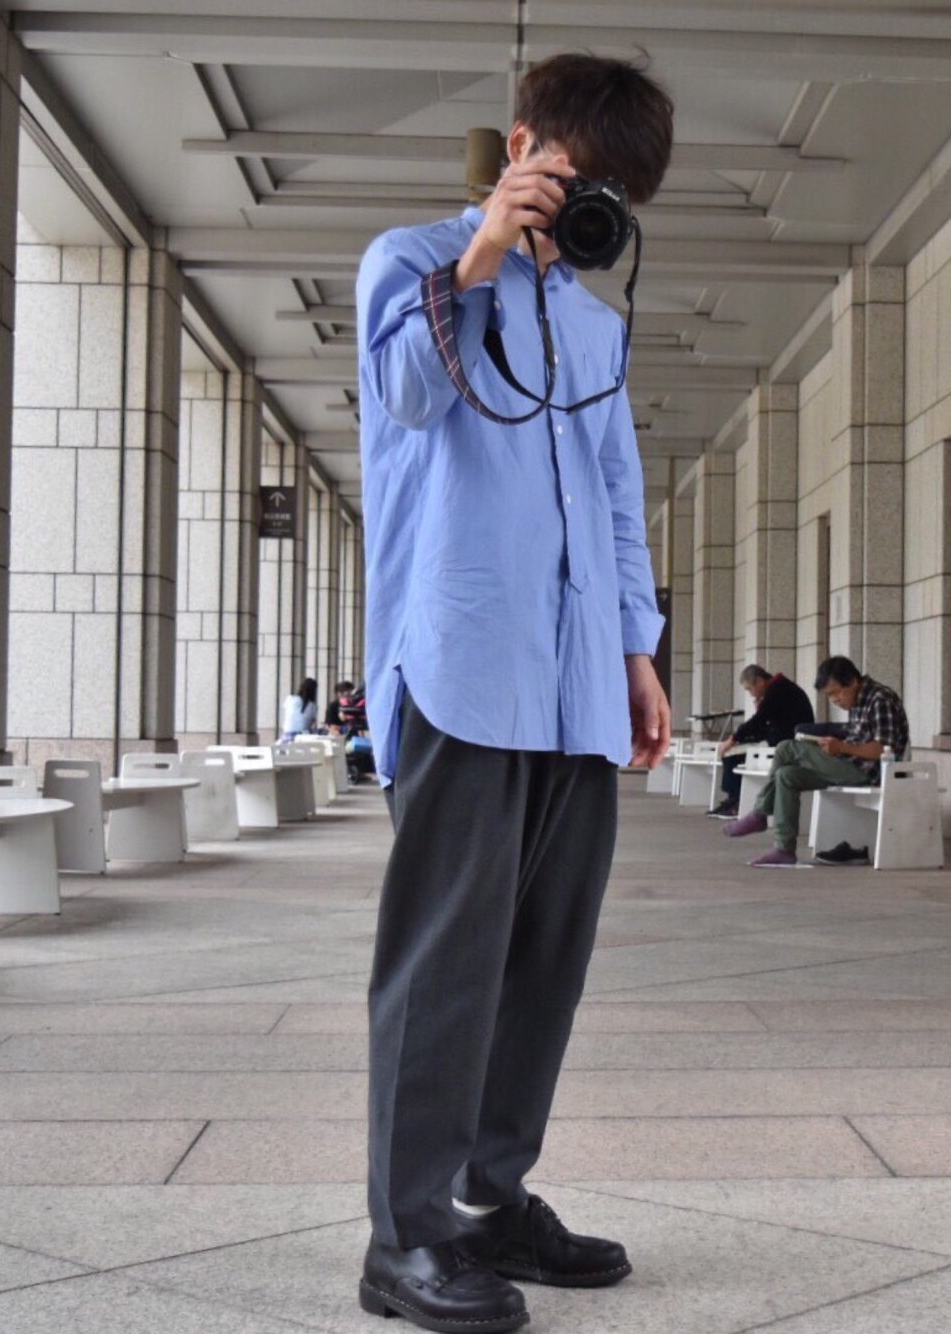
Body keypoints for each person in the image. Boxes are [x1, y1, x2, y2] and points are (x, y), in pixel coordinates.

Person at [356, 52, 674, 1334]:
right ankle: (404, 1233)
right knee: (444, 964)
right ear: (521, 144)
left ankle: (491, 1198)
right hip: (462, 664)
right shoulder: (413, 260)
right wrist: (485, 250)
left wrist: (637, 651)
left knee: (544, 961)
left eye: (614, 195)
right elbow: (402, 394)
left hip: (576, 684)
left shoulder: (596, 322)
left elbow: (614, 499)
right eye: (574, 176)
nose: (588, 206)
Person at [723, 656, 910, 868]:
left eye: (836, 693)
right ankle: (784, 849)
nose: (835, 700)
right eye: (829, 696)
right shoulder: (857, 700)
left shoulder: (879, 700)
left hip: (870, 772)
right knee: (786, 775)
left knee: (786, 747)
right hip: (849, 763)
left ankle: (759, 813)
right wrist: (832, 746)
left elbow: (883, 749)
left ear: (852, 681)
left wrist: (842, 747)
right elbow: (855, 740)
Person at [707, 665, 814, 818]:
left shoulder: (778, 690)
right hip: (782, 741)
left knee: (732, 755)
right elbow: (764, 724)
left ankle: (737, 800)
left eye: (749, 689)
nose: (751, 694)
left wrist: (733, 739)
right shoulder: (779, 688)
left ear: (760, 681)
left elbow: (759, 721)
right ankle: (733, 798)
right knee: (734, 753)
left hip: (788, 746)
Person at [280, 677, 318, 741]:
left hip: (286, 736)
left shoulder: (290, 699)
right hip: (302, 738)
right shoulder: (313, 706)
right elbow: (310, 724)